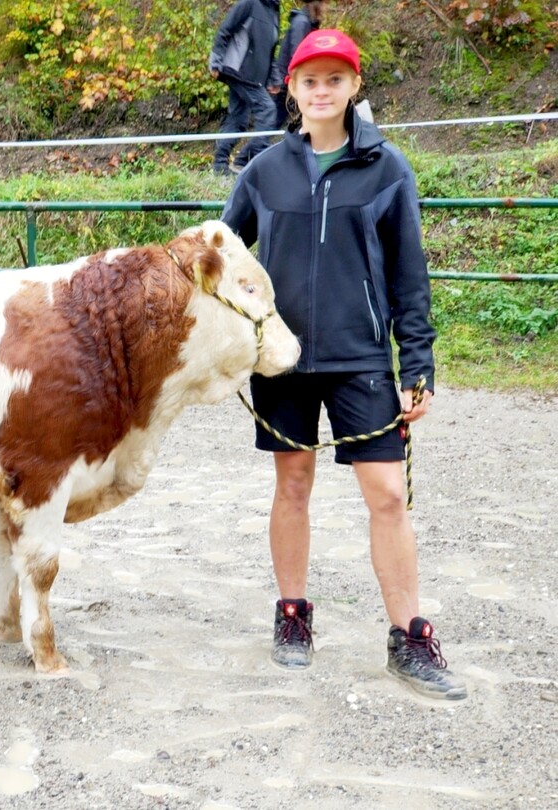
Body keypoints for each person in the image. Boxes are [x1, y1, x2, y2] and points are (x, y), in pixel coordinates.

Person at [220, 30, 467, 700]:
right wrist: (232, 338)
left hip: (363, 359)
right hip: (284, 363)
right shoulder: (263, 171)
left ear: (355, 86)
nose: (322, 91)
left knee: (387, 494)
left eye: (335, 79)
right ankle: (292, 616)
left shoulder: (388, 169)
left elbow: (409, 276)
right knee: (292, 485)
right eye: (310, 80)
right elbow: (223, 260)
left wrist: (417, 366)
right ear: (292, 90)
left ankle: (409, 636)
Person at [208, 0, 282, 175]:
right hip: (239, 70)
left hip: (255, 76)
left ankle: (220, 165)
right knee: (267, 110)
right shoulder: (249, 4)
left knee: (238, 118)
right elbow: (225, 30)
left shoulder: (273, 12)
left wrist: (274, 79)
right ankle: (254, 161)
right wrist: (215, 61)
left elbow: (270, 51)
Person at [269, 1, 325, 127]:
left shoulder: (307, 23)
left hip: (292, 81)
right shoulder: (302, 23)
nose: (325, 8)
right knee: (275, 122)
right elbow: (297, 54)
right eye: (323, 4)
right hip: (288, 82)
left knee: (280, 121)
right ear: (316, 5)